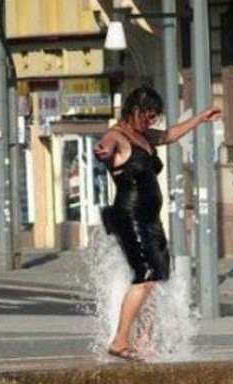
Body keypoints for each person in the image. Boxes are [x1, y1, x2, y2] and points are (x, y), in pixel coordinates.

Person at [93, 85, 221, 361]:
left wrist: (200, 118)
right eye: (147, 115)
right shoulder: (116, 135)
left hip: (150, 219)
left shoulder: (144, 136)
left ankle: (143, 341)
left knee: (158, 278)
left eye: (154, 117)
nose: (150, 121)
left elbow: (170, 135)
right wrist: (101, 151)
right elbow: (105, 147)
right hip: (130, 216)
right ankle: (119, 340)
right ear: (134, 110)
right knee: (145, 276)